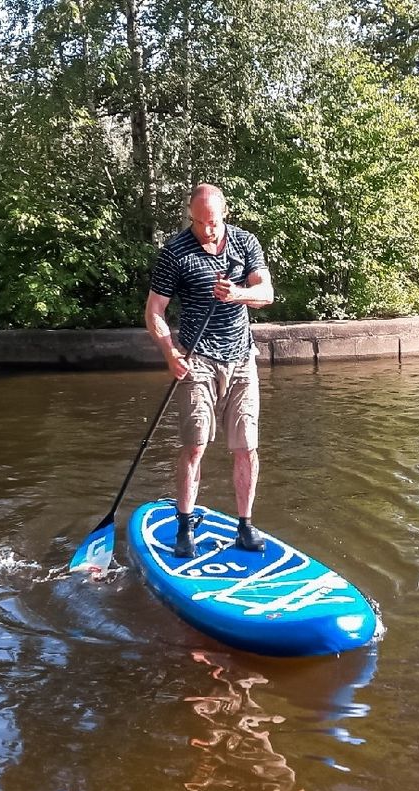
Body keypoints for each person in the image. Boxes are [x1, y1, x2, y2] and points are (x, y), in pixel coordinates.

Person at [145, 184, 274, 558]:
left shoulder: (245, 243)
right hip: (196, 359)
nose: (207, 230)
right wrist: (170, 352)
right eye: (199, 222)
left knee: (247, 448)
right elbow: (154, 311)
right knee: (195, 444)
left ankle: (245, 527)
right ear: (191, 216)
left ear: (224, 213)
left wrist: (237, 294)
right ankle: (185, 525)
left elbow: (265, 293)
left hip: (241, 359)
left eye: (213, 222)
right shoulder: (175, 252)